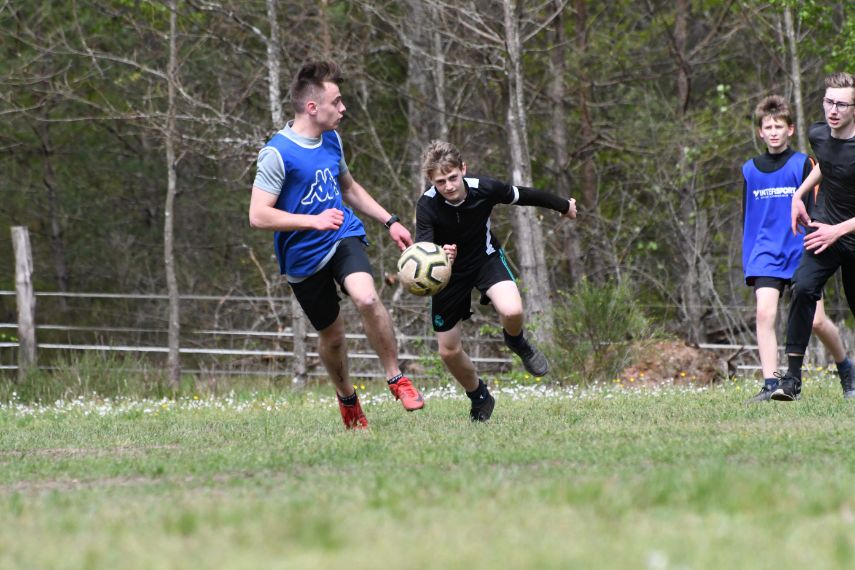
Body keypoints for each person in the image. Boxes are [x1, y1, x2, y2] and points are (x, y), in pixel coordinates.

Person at [248, 61, 425, 429]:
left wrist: (389, 220)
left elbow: (349, 188)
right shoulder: (276, 153)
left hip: (342, 235)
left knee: (367, 298)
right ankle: (347, 398)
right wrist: (311, 220)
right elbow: (258, 215)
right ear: (313, 107)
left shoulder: (332, 139)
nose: (343, 109)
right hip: (301, 257)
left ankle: (396, 377)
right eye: (337, 101)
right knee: (333, 335)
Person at [416, 140, 577, 421]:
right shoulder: (427, 205)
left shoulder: (484, 188)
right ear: (431, 180)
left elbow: (525, 195)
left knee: (513, 310)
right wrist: (440, 254)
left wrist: (564, 205)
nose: (450, 186)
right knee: (448, 351)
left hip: (484, 260)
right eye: (441, 181)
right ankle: (479, 396)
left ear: (463, 169)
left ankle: (516, 342)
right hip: (448, 275)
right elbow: (423, 249)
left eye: (453, 177)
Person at [741, 95, 852, 403]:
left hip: (801, 248)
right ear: (760, 132)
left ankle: (845, 366)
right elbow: (747, 217)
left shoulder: (804, 162)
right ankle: (772, 383)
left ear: (790, 130)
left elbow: (819, 205)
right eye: (768, 126)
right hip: (765, 255)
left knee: (816, 321)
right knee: (765, 313)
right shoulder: (749, 169)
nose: (774, 131)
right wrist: (748, 257)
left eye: (779, 126)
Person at [773, 72, 855, 401]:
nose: (832, 110)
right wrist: (799, 194)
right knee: (803, 288)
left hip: (848, 233)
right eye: (828, 102)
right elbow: (827, 163)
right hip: (823, 230)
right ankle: (791, 380)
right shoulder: (819, 134)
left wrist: (840, 229)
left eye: (841, 104)